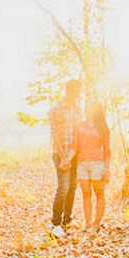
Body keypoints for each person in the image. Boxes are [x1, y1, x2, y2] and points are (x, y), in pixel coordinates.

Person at [48, 79, 82, 234]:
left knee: (73, 187)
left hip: (75, 153)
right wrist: (63, 157)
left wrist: (74, 154)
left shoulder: (77, 108)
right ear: (69, 90)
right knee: (63, 187)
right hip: (61, 153)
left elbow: (78, 132)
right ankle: (56, 223)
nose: (78, 94)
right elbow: (55, 134)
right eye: (76, 91)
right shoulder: (57, 108)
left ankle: (67, 220)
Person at [73, 102, 111, 230]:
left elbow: (107, 150)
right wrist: (67, 159)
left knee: (99, 193)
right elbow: (75, 146)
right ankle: (88, 223)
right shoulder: (80, 126)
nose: (88, 110)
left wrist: (107, 168)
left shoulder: (102, 128)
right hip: (82, 164)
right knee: (86, 194)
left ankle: (97, 223)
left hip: (97, 163)